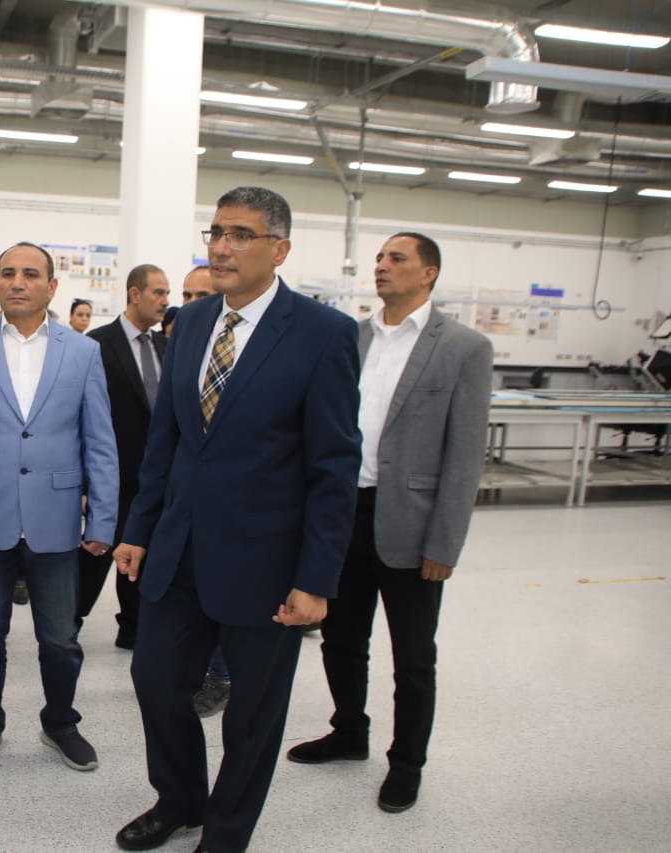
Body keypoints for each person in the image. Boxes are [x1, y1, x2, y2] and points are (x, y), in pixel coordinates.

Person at [112, 186, 361, 853]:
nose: (222, 247)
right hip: (180, 549)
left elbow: (334, 468)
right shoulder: (191, 322)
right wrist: (139, 527)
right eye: (217, 231)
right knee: (155, 680)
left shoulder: (324, 334)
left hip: (266, 562)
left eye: (241, 235)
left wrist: (316, 579)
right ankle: (180, 799)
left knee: (251, 713)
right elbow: (167, 439)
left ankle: (225, 835)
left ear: (279, 249)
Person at [286, 232, 492, 814]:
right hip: (341, 514)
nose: (381, 266)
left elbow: (465, 456)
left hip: (412, 523)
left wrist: (444, 542)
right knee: (341, 639)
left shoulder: (464, 347)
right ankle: (349, 731)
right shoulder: (350, 338)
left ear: (429, 273)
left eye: (396, 259)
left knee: (414, 658)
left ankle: (407, 764)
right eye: (379, 258)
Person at [0, 241, 119, 775]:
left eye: (30, 274)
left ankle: (60, 724)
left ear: (51, 287)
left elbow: (100, 442)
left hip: (55, 519)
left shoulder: (82, 352)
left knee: (60, 639)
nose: (17, 282)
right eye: (7, 273)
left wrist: (103, 518)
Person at [78, 263, 168, 650]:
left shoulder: (166, 346)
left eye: (167, 293)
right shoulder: (98, 344)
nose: (166, 301)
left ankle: (132, 626)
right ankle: (66, 622)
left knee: (142, 552)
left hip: (154, 477)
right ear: (135, 293)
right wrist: (85, 483)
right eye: (158, 292)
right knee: (95, 555)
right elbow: (80, 417)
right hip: (110, 476)